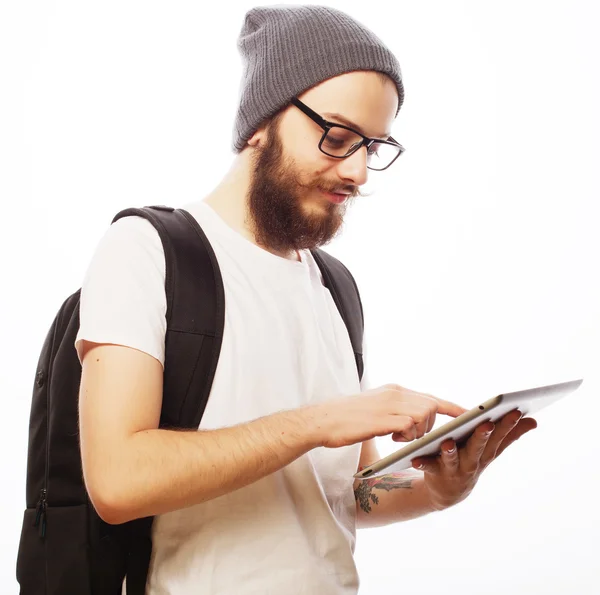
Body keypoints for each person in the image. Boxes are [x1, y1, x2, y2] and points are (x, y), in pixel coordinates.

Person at [75, 5, 537, 594]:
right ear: (260, 122)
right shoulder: (146, 250)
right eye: (338, 137)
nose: (359, 173)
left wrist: (436, 491)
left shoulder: (335, 287)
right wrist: (319, 422)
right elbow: (117, 483)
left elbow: (350, 491)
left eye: (372, 146)